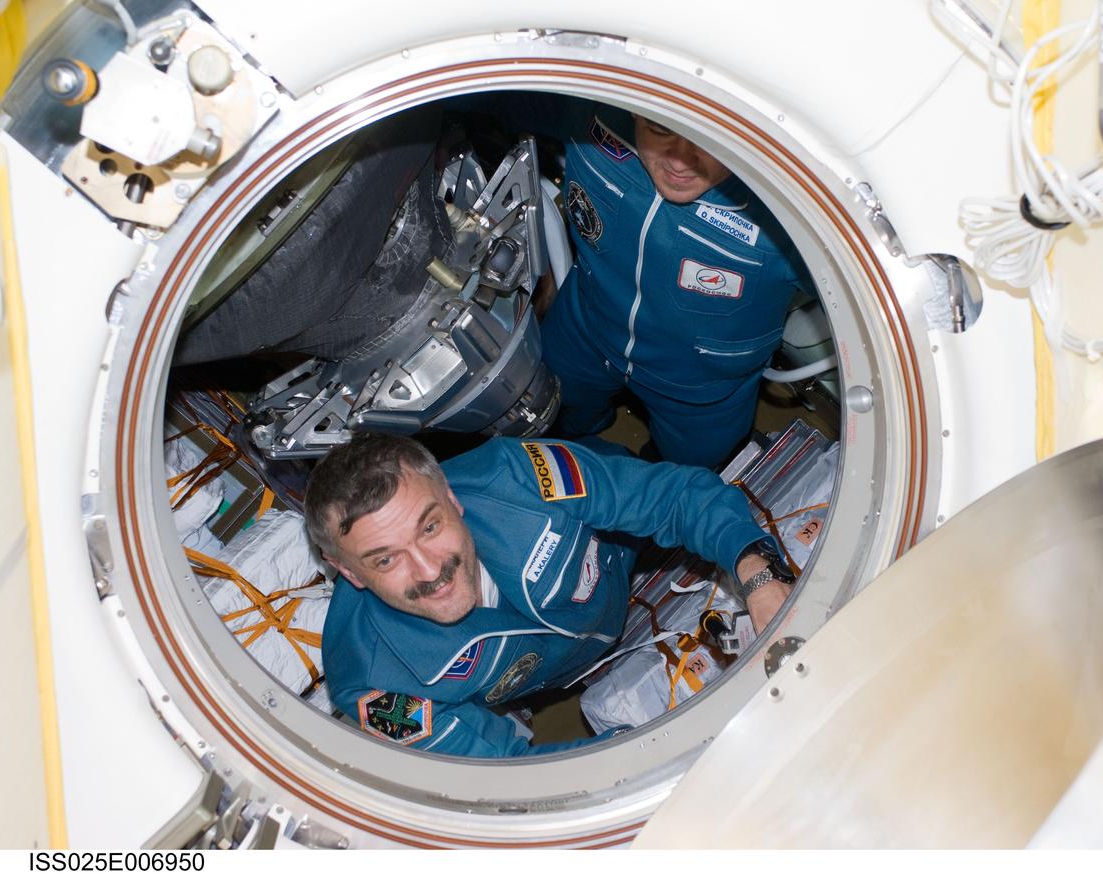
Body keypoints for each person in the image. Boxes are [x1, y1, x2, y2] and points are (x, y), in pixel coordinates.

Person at [305, 431, 794, 757]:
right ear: (347, 571)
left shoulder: (519, 475)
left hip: (625, 554)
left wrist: (758, 576)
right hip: (554, 675)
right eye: (385, 559)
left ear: (453, 499)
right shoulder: (372, 687)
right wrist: (659, 751)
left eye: (430, 526)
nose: (431, 570)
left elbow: (675, 499)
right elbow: (505, 771)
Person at [529, 98, 810, 469]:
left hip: (702, 388)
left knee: (690, 476)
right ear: (631, 109)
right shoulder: (589, 117)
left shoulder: (798, 216)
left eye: (709, 143)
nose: (679, 162)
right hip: (585, 327)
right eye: (659, 131)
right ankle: (585, 439)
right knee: (553, 412)